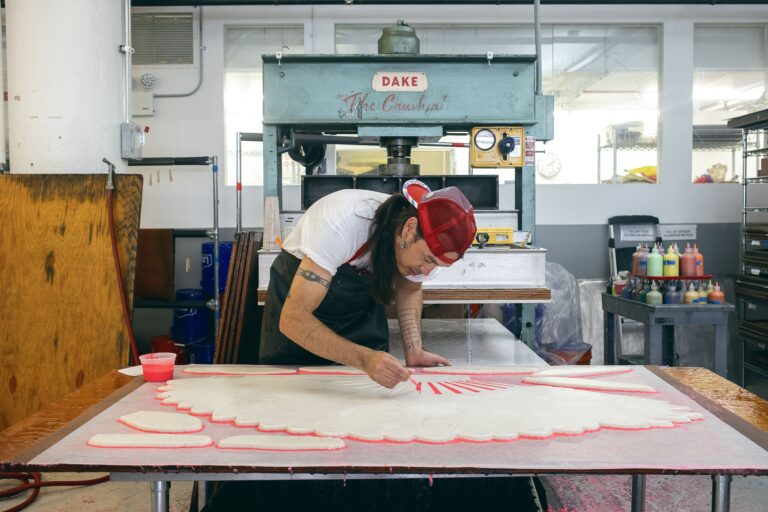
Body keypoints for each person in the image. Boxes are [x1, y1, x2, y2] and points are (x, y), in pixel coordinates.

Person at [260, 179, 477, 387]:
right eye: (429, 259)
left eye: (438, 264)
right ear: (409, 229)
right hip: (300, 314)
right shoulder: (344, 221)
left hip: (356, 310)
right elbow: (293, 319)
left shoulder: (417, 250)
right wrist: (365, 359)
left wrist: (414, 351)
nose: (427, 271)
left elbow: (410, 288)